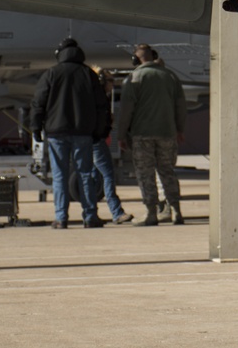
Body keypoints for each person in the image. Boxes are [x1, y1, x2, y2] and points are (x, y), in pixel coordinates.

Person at [29, 37, 109, 229]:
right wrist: (100, 131)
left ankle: (61, 217)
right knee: (85, 174)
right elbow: (101, 106)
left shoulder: (51, 74)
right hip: (83, 132)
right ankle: (90, 217)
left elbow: (38, 103)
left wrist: (35, 128)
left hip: (57, 132)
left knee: (59, 176)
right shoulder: (88, 74)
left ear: (59, 54)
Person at [117, 44, 188, 226]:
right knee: (167, 171)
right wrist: (179, 129)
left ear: (136, 59)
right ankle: (176, 211)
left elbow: (126, 110)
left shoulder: (135, 77)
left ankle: (151, 213)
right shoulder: (170, 76)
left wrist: (122, 134)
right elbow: (180, 105)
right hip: (168, 132)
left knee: (145, 173)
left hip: (143, 134)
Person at [90, 71, 133, 224]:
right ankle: (116, 212)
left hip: (90, 141)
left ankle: (91, 214)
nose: (112, 84)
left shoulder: (91, 96)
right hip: (96, 141)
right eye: (110, 81)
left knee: (95, 178)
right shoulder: (100, 98)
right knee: (108, 175)